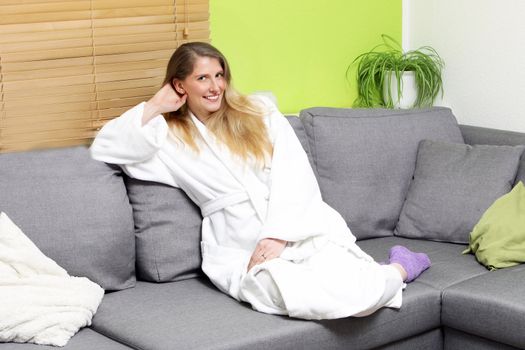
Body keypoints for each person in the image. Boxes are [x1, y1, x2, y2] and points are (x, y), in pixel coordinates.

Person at [90, 42, 431, 320]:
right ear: (180, 85)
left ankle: (401, 265)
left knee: (351, 290)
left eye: (219, 75)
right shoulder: (167, 137)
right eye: (203, 78)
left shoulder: (258, 112)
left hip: (294, 225)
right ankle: (395, 272)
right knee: (289, 295)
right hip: (235, 243)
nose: (215, 87)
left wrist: (279, 234)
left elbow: (294, 173)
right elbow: (105, 147)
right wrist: (155, 104)